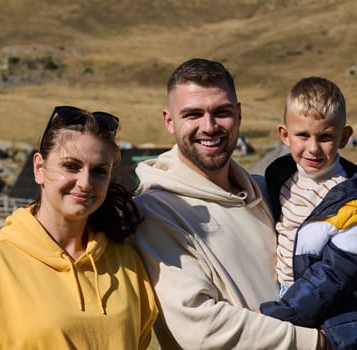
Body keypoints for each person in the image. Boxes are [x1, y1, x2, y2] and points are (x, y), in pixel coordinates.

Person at [132, 58, 322, 349]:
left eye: (221, 112)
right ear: (169, 121)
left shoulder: (268, 191)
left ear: (239, 114)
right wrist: (317, 342)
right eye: (192, 114)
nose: (209, 127)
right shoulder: (155, 210)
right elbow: (203, 329)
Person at [0, 106, 157, 349]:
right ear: (39, 168)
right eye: (71, 166)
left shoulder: (128, 262)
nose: (85, 183)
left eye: (99, 171)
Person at [259, 77, 357, 350]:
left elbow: (334, 276)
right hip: (289, 299)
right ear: (284, 134)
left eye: (325, 137)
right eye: (302, 135)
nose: (313, 148)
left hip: (335, 314)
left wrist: (284, 314)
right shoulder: (281, 177)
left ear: (344, 137)